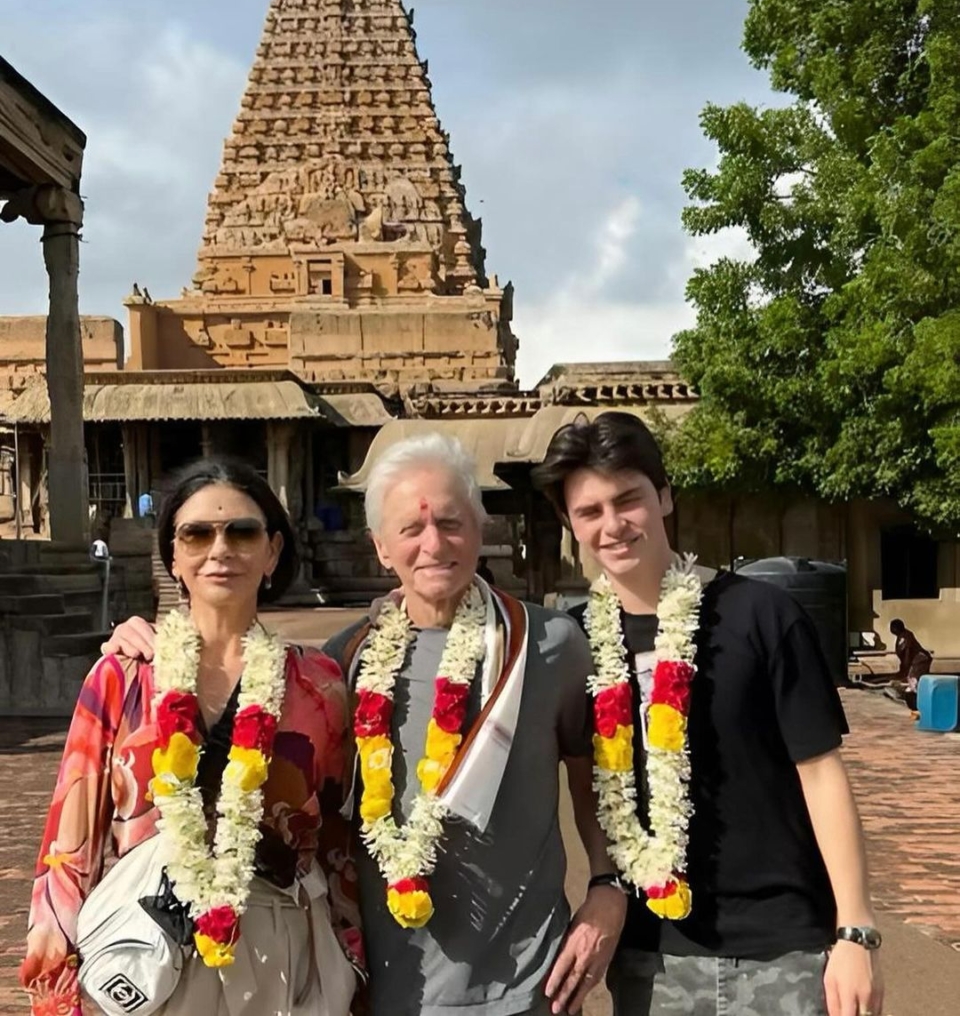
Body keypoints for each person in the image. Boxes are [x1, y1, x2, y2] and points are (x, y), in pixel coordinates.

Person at [103, 435, 627, 1016]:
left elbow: (596, 779)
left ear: (480, 529)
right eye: (411, 530)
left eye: (452, 522)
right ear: (381, 547)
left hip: (531, 985)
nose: (435, 544)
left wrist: (606, 888)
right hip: (388, 986)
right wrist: (144, 645)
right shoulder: (343, 665)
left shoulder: (550, 645)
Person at [531, 412, 885, 1016]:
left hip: (785, 953)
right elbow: (580, 774)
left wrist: (855, 932)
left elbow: (822, 774)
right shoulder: (575, 642)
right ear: (570, 525)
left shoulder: (763, 616)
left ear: (664, 497)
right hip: (651, 956)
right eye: (589, 512)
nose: (613, 526)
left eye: (629, 500)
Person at [22, 457, 361, 1016]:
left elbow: (336, 838)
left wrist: (352, 957)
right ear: (174, 557)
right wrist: (53, 975)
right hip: (151, 943)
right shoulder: (125, 676)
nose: (220, 548)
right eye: (197, 533)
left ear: (273, 552)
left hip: (280, 947)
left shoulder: (318, 686)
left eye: (242, 531)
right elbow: (69, 843)